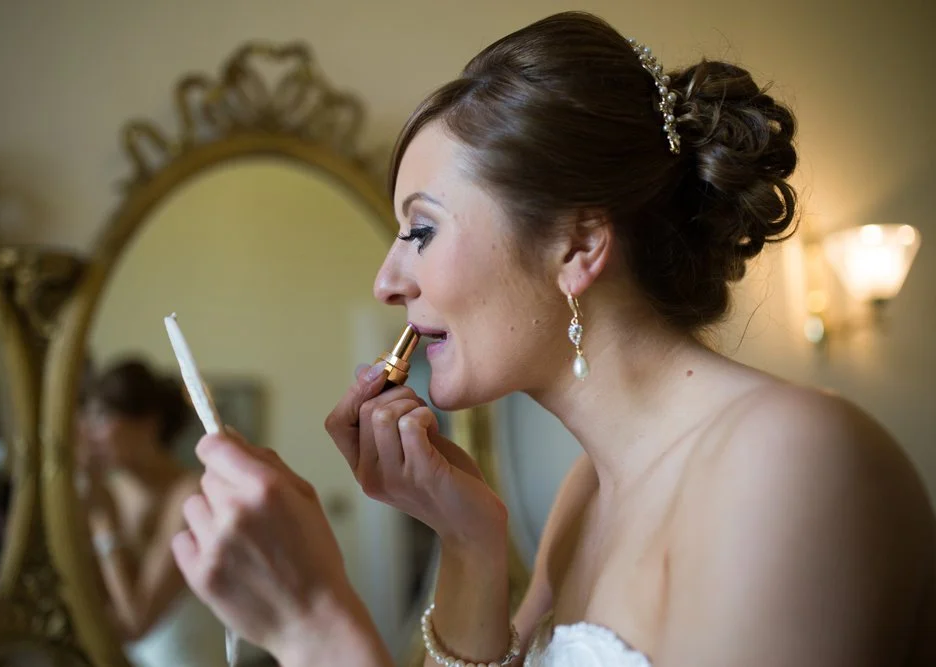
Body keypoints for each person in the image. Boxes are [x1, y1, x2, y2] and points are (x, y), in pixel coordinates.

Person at [171, 11, 936, 667]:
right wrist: (468, 543)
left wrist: (315, 627)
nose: (387, 281)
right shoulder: (584, 495)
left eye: (422, 229)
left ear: (578, 245)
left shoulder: (788, 458)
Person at [78, 359, 227, 667]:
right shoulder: (105, 489)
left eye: (102, 417)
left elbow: (135, 622)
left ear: (148, 424)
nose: (90, 435)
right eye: (87, 418)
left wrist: (104, 523)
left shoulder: (190, 494)